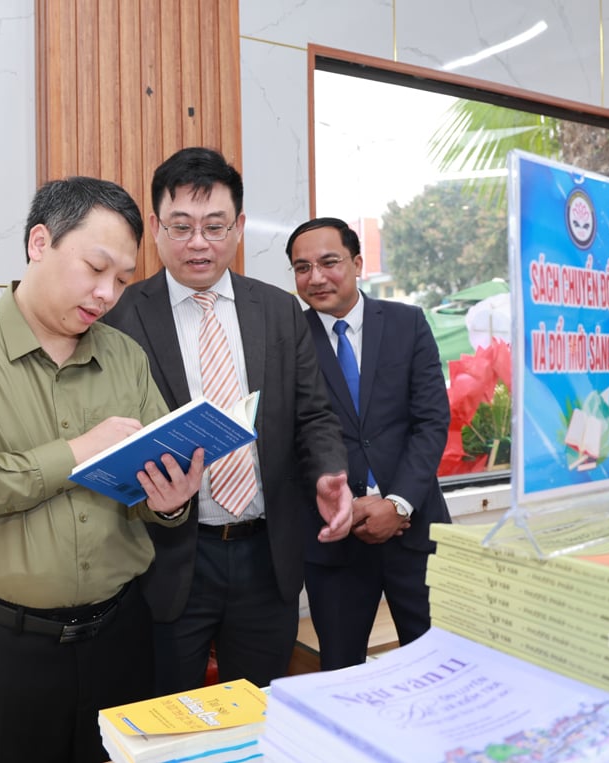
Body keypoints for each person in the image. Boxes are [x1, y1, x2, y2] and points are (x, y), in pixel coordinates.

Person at [0, 176, 205, 763]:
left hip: (120, 639)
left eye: (121, 279)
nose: (108, 292)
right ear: (40, 242)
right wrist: (75, 452)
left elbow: (150, 480)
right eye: (95, 267)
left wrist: (170, 502)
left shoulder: (124, 357)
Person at [103, 147, 352, 694]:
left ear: (238, 227)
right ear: (155, 226)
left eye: (215, 226)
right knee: (167, 721)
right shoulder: (120, 317)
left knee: (258, 715)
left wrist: (330, 472)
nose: (199, 242)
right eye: (182, 226)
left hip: (269, 556)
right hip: (167, 563)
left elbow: (314, 415)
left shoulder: (280, 310)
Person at [286, 217, 453, 670]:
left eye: (329, 262)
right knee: (341, 674)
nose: (316, 277)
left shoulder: (407, 322)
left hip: (415, 531)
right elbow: (289, 436)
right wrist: (349, 506)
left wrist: (397, 504)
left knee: (439, 666)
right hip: (334, 543)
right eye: (302, 267)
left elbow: (432, 421)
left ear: (358, 263)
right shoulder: (287, 338)